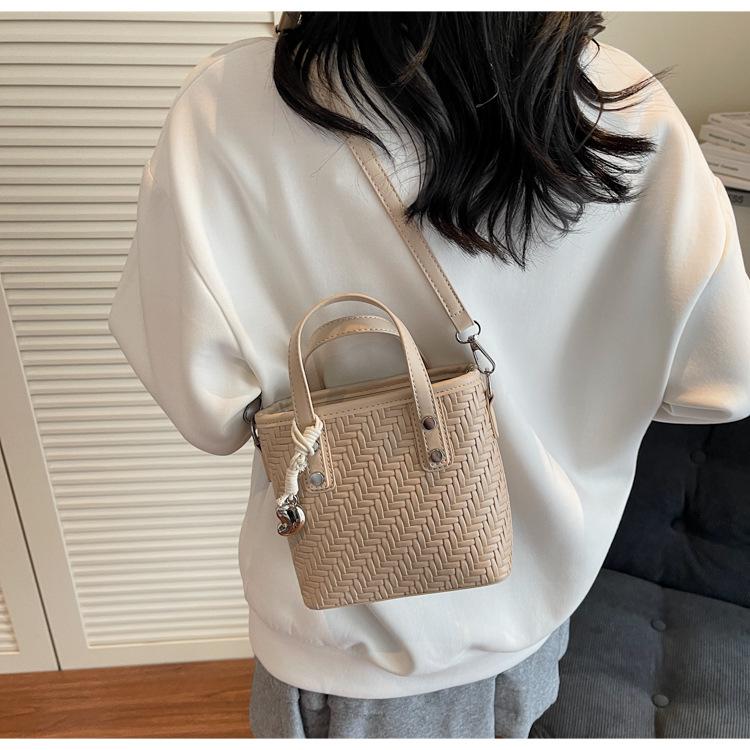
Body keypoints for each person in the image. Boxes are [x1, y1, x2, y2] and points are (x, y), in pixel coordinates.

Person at [107, 12, 750, 739]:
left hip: (341, 653)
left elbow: (208, 414)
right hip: (531, 630)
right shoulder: (627, 108)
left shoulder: (227, 107)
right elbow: (720, 385)